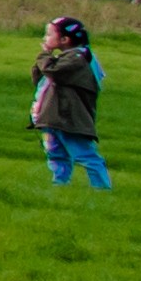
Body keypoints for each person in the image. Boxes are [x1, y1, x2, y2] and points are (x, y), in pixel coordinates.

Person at [36, 16, 109, 189]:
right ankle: (60, 184)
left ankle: (102, 188)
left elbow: (52, 71)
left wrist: (44, 54)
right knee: (56, 154)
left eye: (49, 34)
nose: (45, 39)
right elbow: (39, 75)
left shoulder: (78, 58)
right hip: (55, 117)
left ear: (64, 40)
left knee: (85, 155)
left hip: (69, 118)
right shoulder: (67, 57)